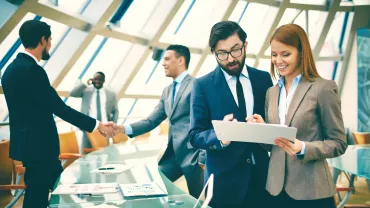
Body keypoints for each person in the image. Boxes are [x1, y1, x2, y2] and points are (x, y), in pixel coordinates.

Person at [1, 20, 115, 208]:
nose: (51, 45)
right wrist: (98, 126)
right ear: (43, 40)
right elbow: (60, 108)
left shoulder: (10, 70)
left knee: (55, 188)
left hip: (28, 146)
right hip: (40, 148)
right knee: (38, 196)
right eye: (50, 40)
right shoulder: (33, 71)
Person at [248, 23, 347, 208]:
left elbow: (339, 143)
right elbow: (274, 144)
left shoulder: (323, 88)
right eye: (274, 54)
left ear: (302, 53)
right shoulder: (272, 93)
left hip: (312, 191)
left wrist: (303, 147)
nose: (278, 61)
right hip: (276, 190)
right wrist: (262, 129)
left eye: (286, 54)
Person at [188, 21, 273, 208]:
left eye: (236, 50)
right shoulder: (202, 85)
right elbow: (194, 136)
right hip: (223, 183)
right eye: (222, 54)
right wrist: (220, 134)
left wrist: (264, 126)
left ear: (246, 46)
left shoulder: (263, 79)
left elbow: (274, 124)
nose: (230, 59)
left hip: (262, 178)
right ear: (213, 53)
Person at [114, 45, 205, 198]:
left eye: (167, 59)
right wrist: (122, 128)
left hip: (193, 157)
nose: (163, 63)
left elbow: (206, 122)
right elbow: (151, 121)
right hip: (172, 157)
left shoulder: (197, 86)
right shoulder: (167, 91)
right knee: (152, 188)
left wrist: (203, 159)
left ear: (181, 60)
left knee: (197, 201)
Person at [70, 71, 119, 150]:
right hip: (88, 127)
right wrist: (85, 84)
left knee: (105, 153)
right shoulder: (86, 91)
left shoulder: (111, 93)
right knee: (85, 152)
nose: (97, 81)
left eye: (100, 79)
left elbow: (115, 111)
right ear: (92, 79)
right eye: (95, 79)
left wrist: (113, 124)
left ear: (104, 81)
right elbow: (72, 93)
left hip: (104, 128)